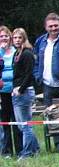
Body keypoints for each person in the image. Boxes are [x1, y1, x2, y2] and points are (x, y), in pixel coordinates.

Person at [10, 28, 40, 158]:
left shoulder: (27, 53)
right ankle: (35, 149)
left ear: (24, 38)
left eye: (19, 38)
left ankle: (27, 153)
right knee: (23, 125)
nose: (17, 40)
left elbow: (29, 75)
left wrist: (20, 89)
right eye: (15, 38)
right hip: (17, 91)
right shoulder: (16, 53)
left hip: (25, 92)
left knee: (25, 125)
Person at [0, 26, 21, 157]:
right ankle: (7, 151)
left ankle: (20, 150)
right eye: (1, 36)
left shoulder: (16, 52)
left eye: (6, 36)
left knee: (17, 121)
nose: (4, 39)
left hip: (15, 90)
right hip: (2, 92)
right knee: (5, 121)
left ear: (10, 38)